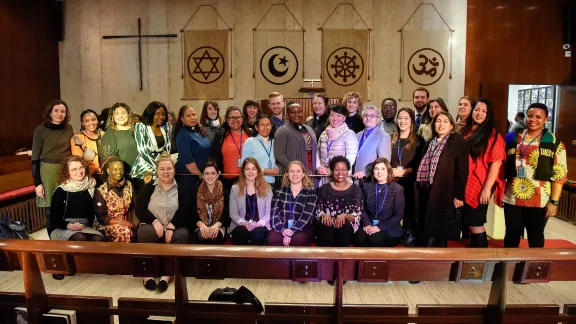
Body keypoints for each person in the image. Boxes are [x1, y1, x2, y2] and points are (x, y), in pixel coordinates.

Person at [503, 103, 568, 248]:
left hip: (540, 198)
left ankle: (535, 270)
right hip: (512, 196)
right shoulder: (511, 137)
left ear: (545, 119)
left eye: (538, 117)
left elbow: (560, 174)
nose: (533, 119)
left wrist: (554, 202)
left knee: (535, 235)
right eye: (530, 116)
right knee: (511, 235)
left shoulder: (553, 142)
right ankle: (506, 268)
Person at [135, 152, 190, 292]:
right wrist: (154, 222)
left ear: (174, 170)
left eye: (169, 168)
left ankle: (167, 276)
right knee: (145, 232)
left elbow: (185, 209)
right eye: (162, 169)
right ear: (157, 171)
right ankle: (147, 275)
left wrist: (171, 227)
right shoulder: (148, 188)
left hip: (174, 226)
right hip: (152, 225)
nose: (166, 172)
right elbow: (139, 209)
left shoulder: (181, 188)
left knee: (182, 234)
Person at [415, 111, 469, 247]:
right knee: (426, 227)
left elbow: (462, 172)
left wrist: (458, 195)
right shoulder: (429, 143)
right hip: (427, 189)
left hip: (445, 191)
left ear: (451, 126)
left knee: (439, 232)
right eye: (438, 121)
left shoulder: (458, 143)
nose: (441, 124)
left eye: (445, 121)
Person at [460, 99, 505, 248]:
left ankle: (481, 262)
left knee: (475, 223)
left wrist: (487, 188)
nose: (479, 113)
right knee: (466, 223)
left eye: (484, 111)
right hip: (463, 182)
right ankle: (468, 261)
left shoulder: (493, 136)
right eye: (477, 110)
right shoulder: (466, 130)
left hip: (479, 185)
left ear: (489, 115)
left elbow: (496, 163)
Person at [49, 156, 104, 279]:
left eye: (81, 168)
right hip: (62, 226)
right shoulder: (61, 191)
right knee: (80, 237)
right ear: (66, 172)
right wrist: (69, 226)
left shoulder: (91, 186)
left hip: (84, 225)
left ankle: (84, 265)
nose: (79, 172)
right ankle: (64, 265)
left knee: (98, 239)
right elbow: (53, 219)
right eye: (73, 169)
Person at [32, 100, 74, 230]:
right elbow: (35, 158)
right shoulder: (40, 130)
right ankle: (54, 241)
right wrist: (37, 183)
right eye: (56, 111)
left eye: (63, 111)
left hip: (65, 169)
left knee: (67, 206)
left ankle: (68, 238)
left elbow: (72, 148)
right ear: (50, 112)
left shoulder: (69, 128)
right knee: (51, 210)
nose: (59, 114)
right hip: (47, 170)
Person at [390, 108, 425, 246]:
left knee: (408, 213)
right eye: (400, 118)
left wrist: (403, 173)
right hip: (392, 182)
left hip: (409, 182)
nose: (402, 121)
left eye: (406, 118)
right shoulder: (392, 138)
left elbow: (420, 164)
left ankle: (408, 239)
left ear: (411, 121)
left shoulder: (418, 140)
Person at [355, 158, 405, 247]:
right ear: (372, 171)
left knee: (375, 239)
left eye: (382, 169)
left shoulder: (397, 189)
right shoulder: (367, 187)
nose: (379, 172)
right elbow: (362, 209)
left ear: (388, 171)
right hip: (370, 225)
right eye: (376, 169)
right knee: (359, 238)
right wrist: (367, 224)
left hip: (390, 228)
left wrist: (379, 227)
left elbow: (398, 215)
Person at [268, 161, 317, 246]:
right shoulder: (279, 191)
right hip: (282, 226)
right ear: (287, 174)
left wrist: (292, 231)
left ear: (303, 174)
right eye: (291, 171)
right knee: (272, 239)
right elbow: (274, 215)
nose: (295, 174)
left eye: (298, 171)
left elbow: (306, 217)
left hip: (302, 227)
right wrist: (282, 230)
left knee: (298, 240)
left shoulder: (311, 192)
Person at [316, 156, 362, 247]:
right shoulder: (324, 188)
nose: (340, 172)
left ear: (348, 170)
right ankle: (327, 259)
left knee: (346, 227)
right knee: (325, 225)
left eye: (343, 169)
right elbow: (317, 210)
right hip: (328, 225)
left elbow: (357, 215)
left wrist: (345, 216)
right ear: (332, 171)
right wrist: (323, 215)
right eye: (336, 169)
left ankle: (341, 260)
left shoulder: (356, 189)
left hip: (347, 227)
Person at [229, 158, 273, 245]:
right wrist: (245, 223)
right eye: (247, 169)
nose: (250, 172)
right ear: (243, 171)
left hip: (260, 224)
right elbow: (233, 213)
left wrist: (258, 224)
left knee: (258, 234)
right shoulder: (235, 189)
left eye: (253, 169)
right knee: (241, 233)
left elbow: (269, 213)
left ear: (258, 171)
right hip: (240, 224)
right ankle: (241, 259)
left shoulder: (267, 188)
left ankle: (255, 259)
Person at [94, 156, 135, 243]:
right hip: (106, 225)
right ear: (108, 171)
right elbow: (102, 218)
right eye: (115, 169)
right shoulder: (101, 191)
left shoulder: (129, 185)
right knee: (124, 232)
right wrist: (123, 222)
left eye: (121, 169)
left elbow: (134, 207)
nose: (119, 172)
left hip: (126, 223)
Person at [173, 105, 211, 199]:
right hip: (189, 178)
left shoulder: (199, 131)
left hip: (202, 176)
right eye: (188, 116)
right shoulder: (182, 135)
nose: (192, 118)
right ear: (182, 119)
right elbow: (188, 161)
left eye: (194, 114)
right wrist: (202, 177)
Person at [131, 101, 171, 189]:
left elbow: (168, 147)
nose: (161, 117)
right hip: (144, 168)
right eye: (157, 114)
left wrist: (165, 162)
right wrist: (159, 167)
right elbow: (142, 151)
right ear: (151, 114)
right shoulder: (141, 125)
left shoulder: (166, 125)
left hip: (162, 168)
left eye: (163, 114)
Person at [210, 106, 251, 191]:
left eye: (238, 117)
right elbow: (214, 156)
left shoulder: (250, 133)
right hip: (227, 182)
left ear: (242, 118)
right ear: (227, 119)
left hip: (248, 179)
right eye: (232, 117)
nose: (235, 120)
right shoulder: (220, 135)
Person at [317, 104, 358, 184]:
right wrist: (319, 168)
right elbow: (317, 153)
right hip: (323, 178)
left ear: (344, 117)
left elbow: (350, 160)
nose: (335, 119)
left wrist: (330, 171)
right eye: (332, 115)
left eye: (339, 116)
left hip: (342, 178)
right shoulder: (324, 134)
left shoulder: (350, 134)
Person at [273, 102, 318, 174]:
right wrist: (294, 169)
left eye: (299, 112)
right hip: (293, 173)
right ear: (287, 114)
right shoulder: (282, 131)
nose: (296, 115)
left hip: (311, 171)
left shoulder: (309, 129)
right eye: (293, 112)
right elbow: (279, 155)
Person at [353, 106, 392, 180]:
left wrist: (365, 172)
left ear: (378, 120)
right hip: (355, 177)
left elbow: (384, 161)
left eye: (372, 116)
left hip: (370, 179)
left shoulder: (383, 136)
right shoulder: (358, 134)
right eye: (366, 115)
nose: (368, 118)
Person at [195, 161, 228, 244]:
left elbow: (226, 215)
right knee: (201, 236)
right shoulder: (196, 191)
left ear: (217, 174)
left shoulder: (225, 191)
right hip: (200, 225)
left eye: (213, 173)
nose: (210, 176)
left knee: (214, 236)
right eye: (207, 173)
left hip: (219, 225)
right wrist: (202, 225)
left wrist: (216, 226)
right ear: (202, 175)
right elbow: (192, 214)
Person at [101, 103, 138, 176]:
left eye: (123, 113)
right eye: (117, 114)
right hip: (122, 175)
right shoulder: (110, 134)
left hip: (141, 173)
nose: (120, 116)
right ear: (113, 117)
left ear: (128, 114)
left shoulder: (138, 130)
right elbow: (108, 157)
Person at [71, 109, 105, 185]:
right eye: (87, 121)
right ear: (82, 123)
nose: (91, 123)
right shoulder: (77, 138)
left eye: (93, 119)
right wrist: (97, 169)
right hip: (89, 177)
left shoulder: (104, 135)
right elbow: (78, 159)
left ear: (98, 120)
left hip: (108, 176)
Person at [241, 115, 278, 184]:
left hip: (272, 181)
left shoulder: (274, 142)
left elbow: (276, 161)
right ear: (256, 127)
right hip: (256, 182)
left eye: (268, 125)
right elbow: (244, 163)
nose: (265, 127)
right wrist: (263, 170)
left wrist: (276, 169)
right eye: (262, 125)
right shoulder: (250, 141)